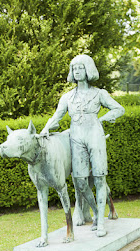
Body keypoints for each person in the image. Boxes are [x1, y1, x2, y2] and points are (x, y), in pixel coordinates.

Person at [40, 54, 124, 237]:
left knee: (100, 178)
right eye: (74, 68)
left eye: (80, 67)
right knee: (80, 181)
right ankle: (95, 212)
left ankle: (100, 222)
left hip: (95, 136)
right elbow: (57, 116)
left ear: (88, 69)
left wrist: (101, 119)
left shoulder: (99, 93)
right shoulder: (67, 97)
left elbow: (119, 109)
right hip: (76, 137)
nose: (77, 71)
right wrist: (45, 129)